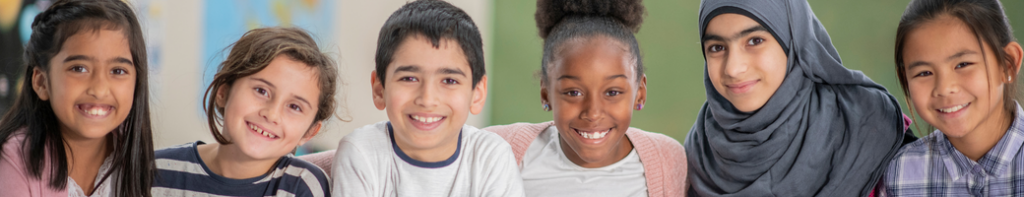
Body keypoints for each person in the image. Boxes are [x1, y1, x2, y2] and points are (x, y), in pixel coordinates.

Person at [685, 0, 913, 196]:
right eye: (716, 47)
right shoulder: (697, 154)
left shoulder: (868, 128)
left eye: (754, 41)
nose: (733, 68)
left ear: (793, 40)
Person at [483, 0, 686, 196]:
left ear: (639, 93)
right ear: (546, 93)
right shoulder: (496, 152)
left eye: (612, 92)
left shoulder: (669, 161)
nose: (593, 113)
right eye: (573, 93)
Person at [329, 0, 524, 196]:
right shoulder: (361, 152)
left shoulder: (491, 157)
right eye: (409, 78)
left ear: (477, 94)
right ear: (380, 90)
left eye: (449, 80)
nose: (427, 99)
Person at [150, 27, 335, 197]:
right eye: (261, 91)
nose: (271, 114)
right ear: (223, 91)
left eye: (294, 107)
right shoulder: (152, 171)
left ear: (310, 132)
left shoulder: (304, 186)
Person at [0, 0, 155, 196]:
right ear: (41, 82)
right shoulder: (15, 159)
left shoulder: (132, 154)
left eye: (118, 70)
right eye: (79, 68)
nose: (99, 90)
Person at [881, 0, 1024, 196]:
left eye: (963, 64)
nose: (944, 88)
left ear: (1008, 64)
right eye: (924, 73)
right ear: (905, 79)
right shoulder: (900, 174)